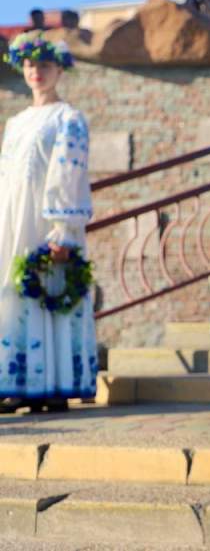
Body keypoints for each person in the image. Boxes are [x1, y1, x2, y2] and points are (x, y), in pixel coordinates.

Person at [0, 33, 97, 413]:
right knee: (14, 293)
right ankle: (17, 381)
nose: (36, 72)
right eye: (29, 65)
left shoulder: (69, 118)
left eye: (44, 65)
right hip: (14, 219)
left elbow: (68, 173)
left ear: (59, 69)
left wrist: (63, 229)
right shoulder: (16, 121)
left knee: (50, 291)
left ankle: (56, 383)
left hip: (47, 220)